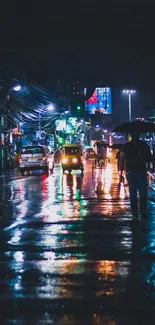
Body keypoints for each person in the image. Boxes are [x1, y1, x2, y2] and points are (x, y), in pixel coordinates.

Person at [119, 131, 152, 219]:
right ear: (139, 135)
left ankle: (134, 214)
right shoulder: (144, 145)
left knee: (132, 193)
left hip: (130, 172)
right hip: (141, 171)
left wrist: (120, 173)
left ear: (131, 135)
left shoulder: (126, 146)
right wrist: (148, 166)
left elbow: (121, 160)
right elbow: (149, 158)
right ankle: (143, 212)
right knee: (143, 193)